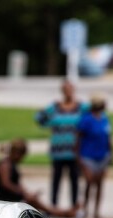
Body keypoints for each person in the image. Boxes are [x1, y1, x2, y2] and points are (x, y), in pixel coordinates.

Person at [35, 79, 87, 210]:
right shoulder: (55, 108)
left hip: (74, 151)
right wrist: (49, 109)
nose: (68, 92)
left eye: (70, 89)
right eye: (65, 90)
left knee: (74, 179)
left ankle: (75, 206)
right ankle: (54, 205)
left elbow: (92, 119)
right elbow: (38, 119)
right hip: (58, 151)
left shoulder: (81, 108)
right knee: (56, 179)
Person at [0, 138, 77, 218]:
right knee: (33, 201)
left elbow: (17, 184)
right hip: (5, 199)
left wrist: (26, 193)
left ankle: (59, 212)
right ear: (17, 153)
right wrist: (23, 193)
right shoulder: (5, 165)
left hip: (13, 198)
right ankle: (61, 213)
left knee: (33, 200)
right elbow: (6, 184)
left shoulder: (10, 164)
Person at [76, 94, 113, 218]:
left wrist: (111, 152)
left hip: (102, 155)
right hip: (88, 155)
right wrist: (78, 156)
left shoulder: (104, 119)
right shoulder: (86, 120)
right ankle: (86, 209)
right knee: (89, 181)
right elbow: (78, 138)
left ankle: (96, 211)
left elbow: (108, 137)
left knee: (99, 184)